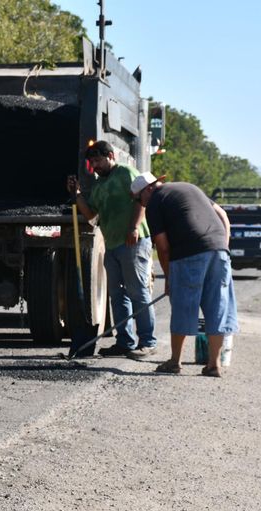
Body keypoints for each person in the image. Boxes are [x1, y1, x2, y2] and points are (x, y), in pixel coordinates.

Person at [131, 172, 238, 377]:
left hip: (188, 254)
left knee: (182, 304)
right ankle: (214, 365)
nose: (140, 204)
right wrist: (223, 245)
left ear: (148, 190)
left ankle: (174, 362)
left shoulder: (155, 202)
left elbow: (162, 247)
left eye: (138, 199)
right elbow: (222, 214)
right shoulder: (190, 187)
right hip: (219, 251)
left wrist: (170, 277)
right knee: (218, 306)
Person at [67, 140, 157, 359]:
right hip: (113, 244)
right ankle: (125, 342)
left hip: (133, 242)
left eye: (98, 160)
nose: (95, 165)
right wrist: (77, 194)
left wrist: (134, 227)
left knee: (137, 291)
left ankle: (148, 342)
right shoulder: (98, 186)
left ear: (111, 156)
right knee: (117, 295)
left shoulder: (126, 173)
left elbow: (141, 199)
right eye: (92, 162)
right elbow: (91, 216)